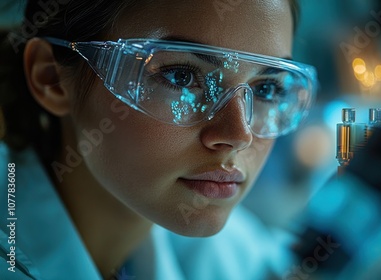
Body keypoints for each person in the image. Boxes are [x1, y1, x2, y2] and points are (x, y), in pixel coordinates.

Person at [0, 0, 318, 279]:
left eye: (266, 89)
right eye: (181, 76)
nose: (239, 136)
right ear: (51, 79)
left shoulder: (197, 241)